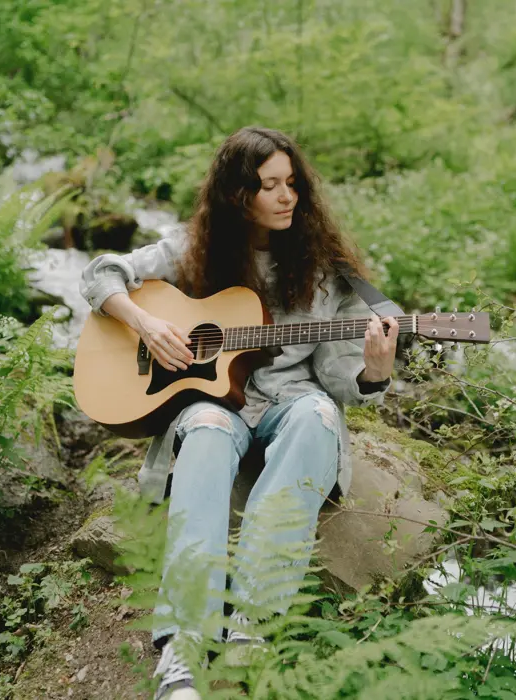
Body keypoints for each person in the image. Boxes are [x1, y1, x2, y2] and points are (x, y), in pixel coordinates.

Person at [80, 126, 399, 700]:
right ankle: (182, 646)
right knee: (205, 430)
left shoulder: (327, 271)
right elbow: (101, 273)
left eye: (292, 183)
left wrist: (373, 371)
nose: (287, 196)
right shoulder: (193, 247)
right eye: (269, 185)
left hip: (292, 401)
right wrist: (145, 324)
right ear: (236, 193)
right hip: (211, 404)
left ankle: (254, 619)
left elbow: (337, 378)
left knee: (318, 415)